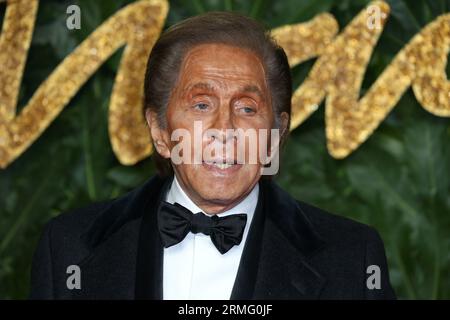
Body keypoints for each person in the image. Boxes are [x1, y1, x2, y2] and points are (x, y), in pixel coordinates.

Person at [30, 11, 395, 299]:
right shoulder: (68, 248)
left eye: (248, 108)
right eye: (202, 104)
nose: (226, 129)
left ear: (276, 135)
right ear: (159, 131)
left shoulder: (351, 257)